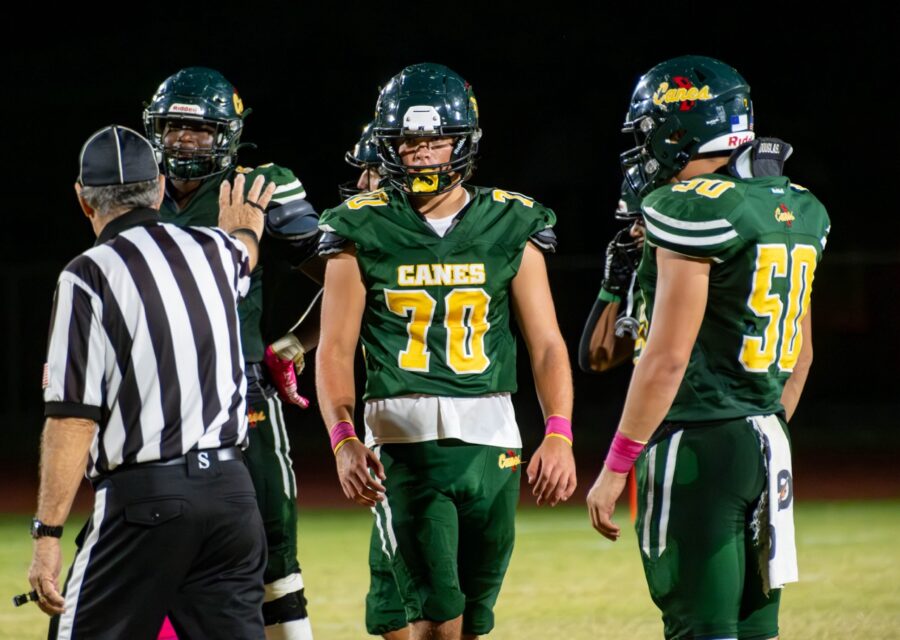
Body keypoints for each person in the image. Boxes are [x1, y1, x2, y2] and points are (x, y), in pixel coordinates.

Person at [316, 63, 577, 640]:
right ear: (389, 146)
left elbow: (548, 344)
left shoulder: (512, 220)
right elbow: (334, 349)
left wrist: (558, 430)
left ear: (464, 142)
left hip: (495, 442)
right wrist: (343, 438)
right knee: (437, 619)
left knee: (471, 623)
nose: (423, 154)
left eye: (436, 140)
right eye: (409, 141)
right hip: (405, 442)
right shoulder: (360, 226)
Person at [586, 55, 830, 640]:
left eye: (650, 130)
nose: (644, 145)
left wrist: (616, 465)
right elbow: (803, 354)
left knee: (701, 628)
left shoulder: (690, 205)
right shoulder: (795, 204)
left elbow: (666, 358)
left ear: (680, 127)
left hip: (696, 443)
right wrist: (760, 420)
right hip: (768, 440)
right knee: (753, 630)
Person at [28, 125, 274, 638]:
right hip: (234, 498)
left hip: (148, 501)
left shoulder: (88, 274)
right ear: (159, 187)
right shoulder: (214, 249)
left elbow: (73, 416)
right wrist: (247, 226)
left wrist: (48, 533)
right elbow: (244, 251)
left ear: (83, 200)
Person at [143, 67, 319, 640]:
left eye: (200, 131)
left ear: (230, 134)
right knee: (151, 548)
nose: (184, 142)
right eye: (173, 128)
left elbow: (340, 279)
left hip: (241, 388)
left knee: (274, 548)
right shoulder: (134, 191)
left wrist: (297, 342)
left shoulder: (257, 187)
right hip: (155, 398)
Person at [577, 173, 647, 374]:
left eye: (641, 221)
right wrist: (613, 287)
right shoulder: (646, 284)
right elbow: (596, 358)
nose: (633, 232)